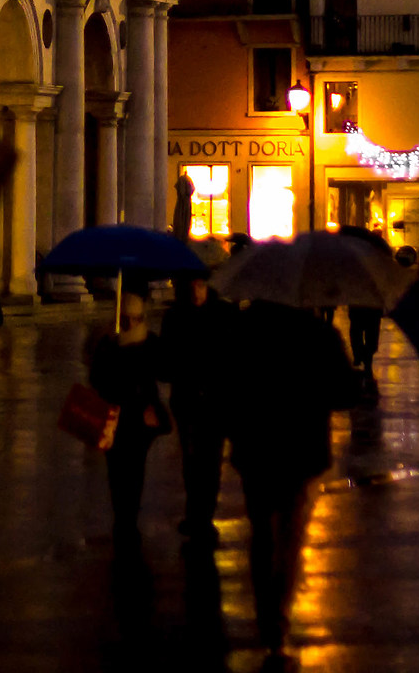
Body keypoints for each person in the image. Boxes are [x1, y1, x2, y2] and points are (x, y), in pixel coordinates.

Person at [224, 298, 361, 657]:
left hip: (255, 445)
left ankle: (264, 609)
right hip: (301, 449)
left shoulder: (244, 329)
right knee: (290, 533)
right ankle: (278, 615)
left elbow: (226, 383)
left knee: (261, 533)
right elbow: (345, 394)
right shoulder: (319, 334)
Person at [158, 273, 237, 541]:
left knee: (211, 459)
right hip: (187, 399)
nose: (196, 293)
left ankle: (204, 514)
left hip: (216, 400)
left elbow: (232, 358)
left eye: (200, 286)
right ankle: (195, 513)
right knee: (192, 459)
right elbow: (165, 363)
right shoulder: (175, 316)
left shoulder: (224, 314)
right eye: (191, 287)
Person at [87, 291, 168, 540]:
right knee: (117, 470)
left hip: (141, 418)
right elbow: (97, 379)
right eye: (126, 318)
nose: (131, 323)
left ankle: (128, 517)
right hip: (115, 417)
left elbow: (163, 371)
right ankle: (122, 516)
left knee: (135, 470)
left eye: (136, 318)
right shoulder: (109, 343)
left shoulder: (149, 343)